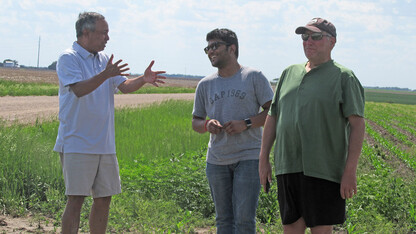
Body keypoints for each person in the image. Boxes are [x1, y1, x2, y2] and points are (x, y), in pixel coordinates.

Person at [54, 12, 165, 234]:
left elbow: (124, 86)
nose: (108, 38)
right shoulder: (69, 58)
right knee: (75, 200)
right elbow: (79, 89)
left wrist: (142, 80)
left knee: (104, 199)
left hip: (104, 144)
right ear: (86, 32)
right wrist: (105, 75)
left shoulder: (104, 60)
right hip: (77, 142)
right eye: (103, 32)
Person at [259, 18, 365, 233]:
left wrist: (349, 171)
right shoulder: (289, 73)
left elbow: (357, 125)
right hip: (288, 165)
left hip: (323, 169)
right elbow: (273, 116)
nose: (308, 42)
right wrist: (263, 160)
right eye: (304, 37)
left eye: (316, 37)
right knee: (291, 227)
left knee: (321, 229)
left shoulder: (344, 77)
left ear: (332, 42)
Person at [192, 28, 274, 234]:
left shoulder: (253, 77)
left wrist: (245, 123)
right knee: (223, 221)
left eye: (215, 46)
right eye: (207, 47)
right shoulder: (205, 85)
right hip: (217, 160)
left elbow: (274, 112)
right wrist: (207, 125)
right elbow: (196, 121)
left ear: (232, 48)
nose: (210, 51)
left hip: (249, 156)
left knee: (244, 220)